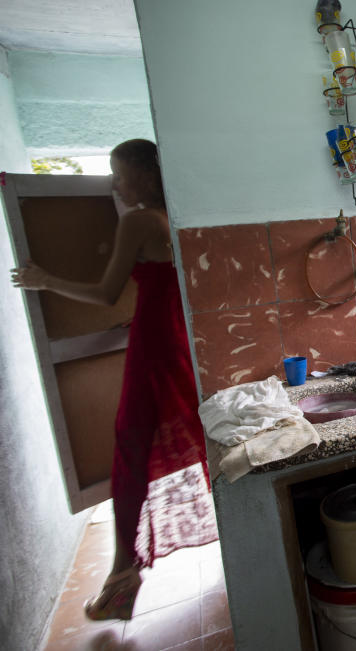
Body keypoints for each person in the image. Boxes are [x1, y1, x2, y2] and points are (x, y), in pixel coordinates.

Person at [10, 139, 216, 620]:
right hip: (178, 340)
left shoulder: (139, 220)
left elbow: (106, 294)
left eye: (118, 173)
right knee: (195, 435)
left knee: (131, 448)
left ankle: (122, 578)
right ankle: (131, 570)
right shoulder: (173, 216)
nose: (114, 183)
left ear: (144, 176)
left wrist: (45, 280)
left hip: (153, 346)